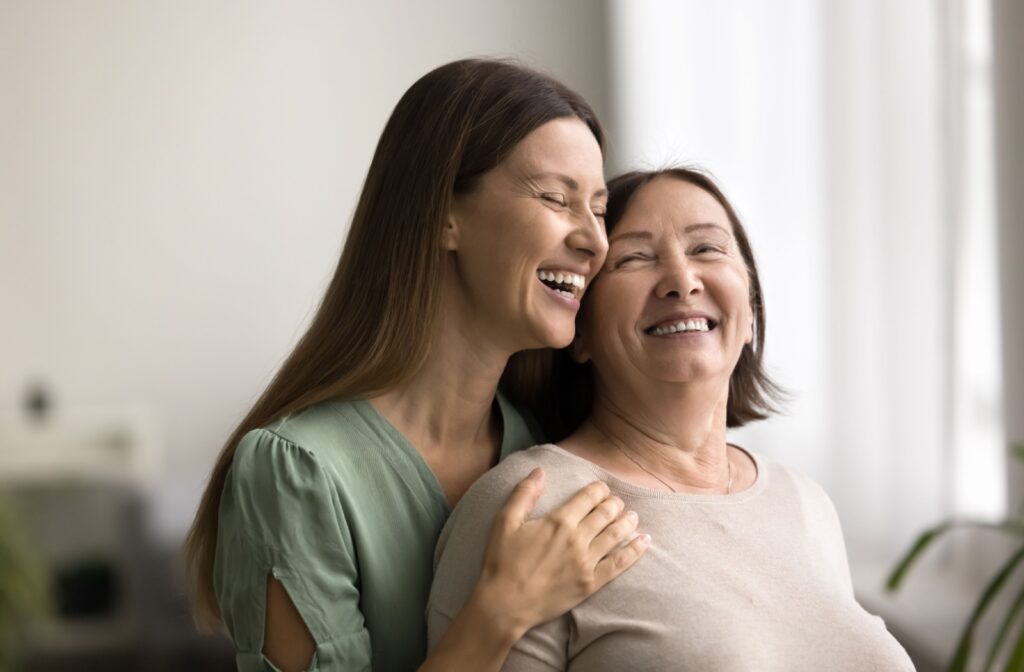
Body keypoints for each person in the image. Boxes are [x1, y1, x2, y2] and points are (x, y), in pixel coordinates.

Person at [183, 59, 651, 672]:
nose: (595, 240)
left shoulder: (548, 445)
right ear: (443, 216)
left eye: (598, 209)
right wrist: (498, 613)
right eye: (556, 199)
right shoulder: (297, 473)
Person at [427, 167, 916, 671]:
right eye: (633, 258)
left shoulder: (808, 504)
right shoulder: (536, 503)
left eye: (707, 249)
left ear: (750, 308)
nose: (682, 281)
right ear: (580, 328)